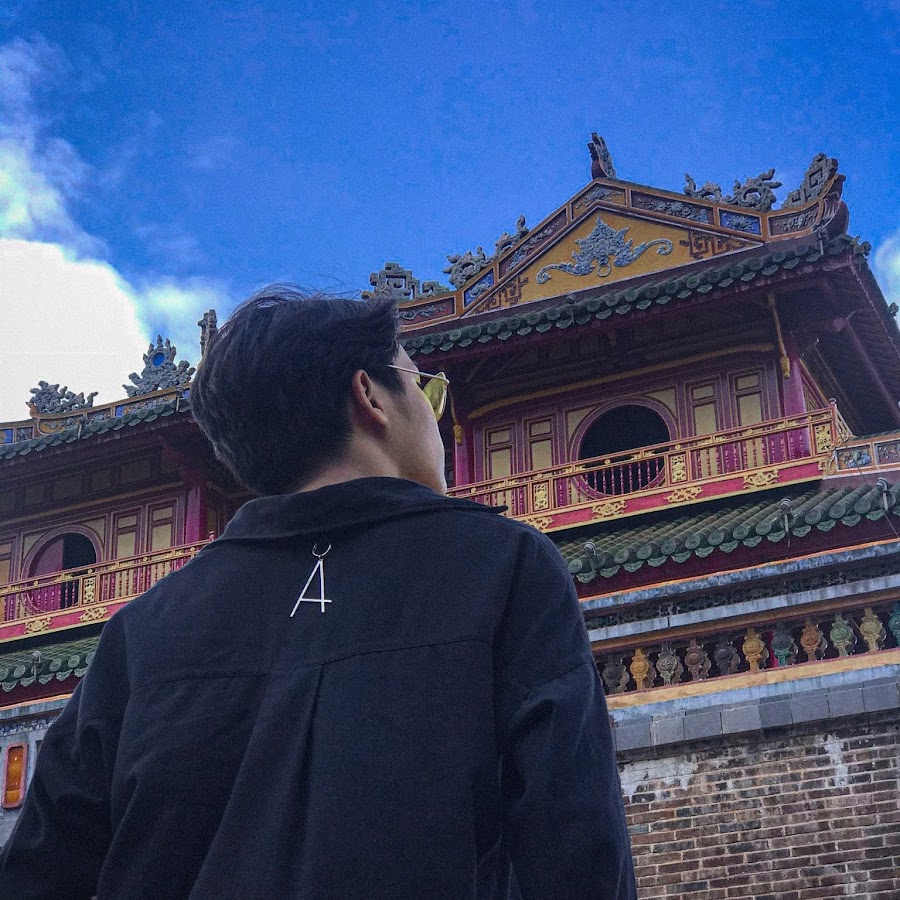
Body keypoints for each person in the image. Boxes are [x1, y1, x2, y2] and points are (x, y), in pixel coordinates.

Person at [0, 288, 637, 899]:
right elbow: (578, 845)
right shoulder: (506, 567)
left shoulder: (142, 631)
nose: (435, 414)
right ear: (370, 395)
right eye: (426, 388)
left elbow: (35, 873)